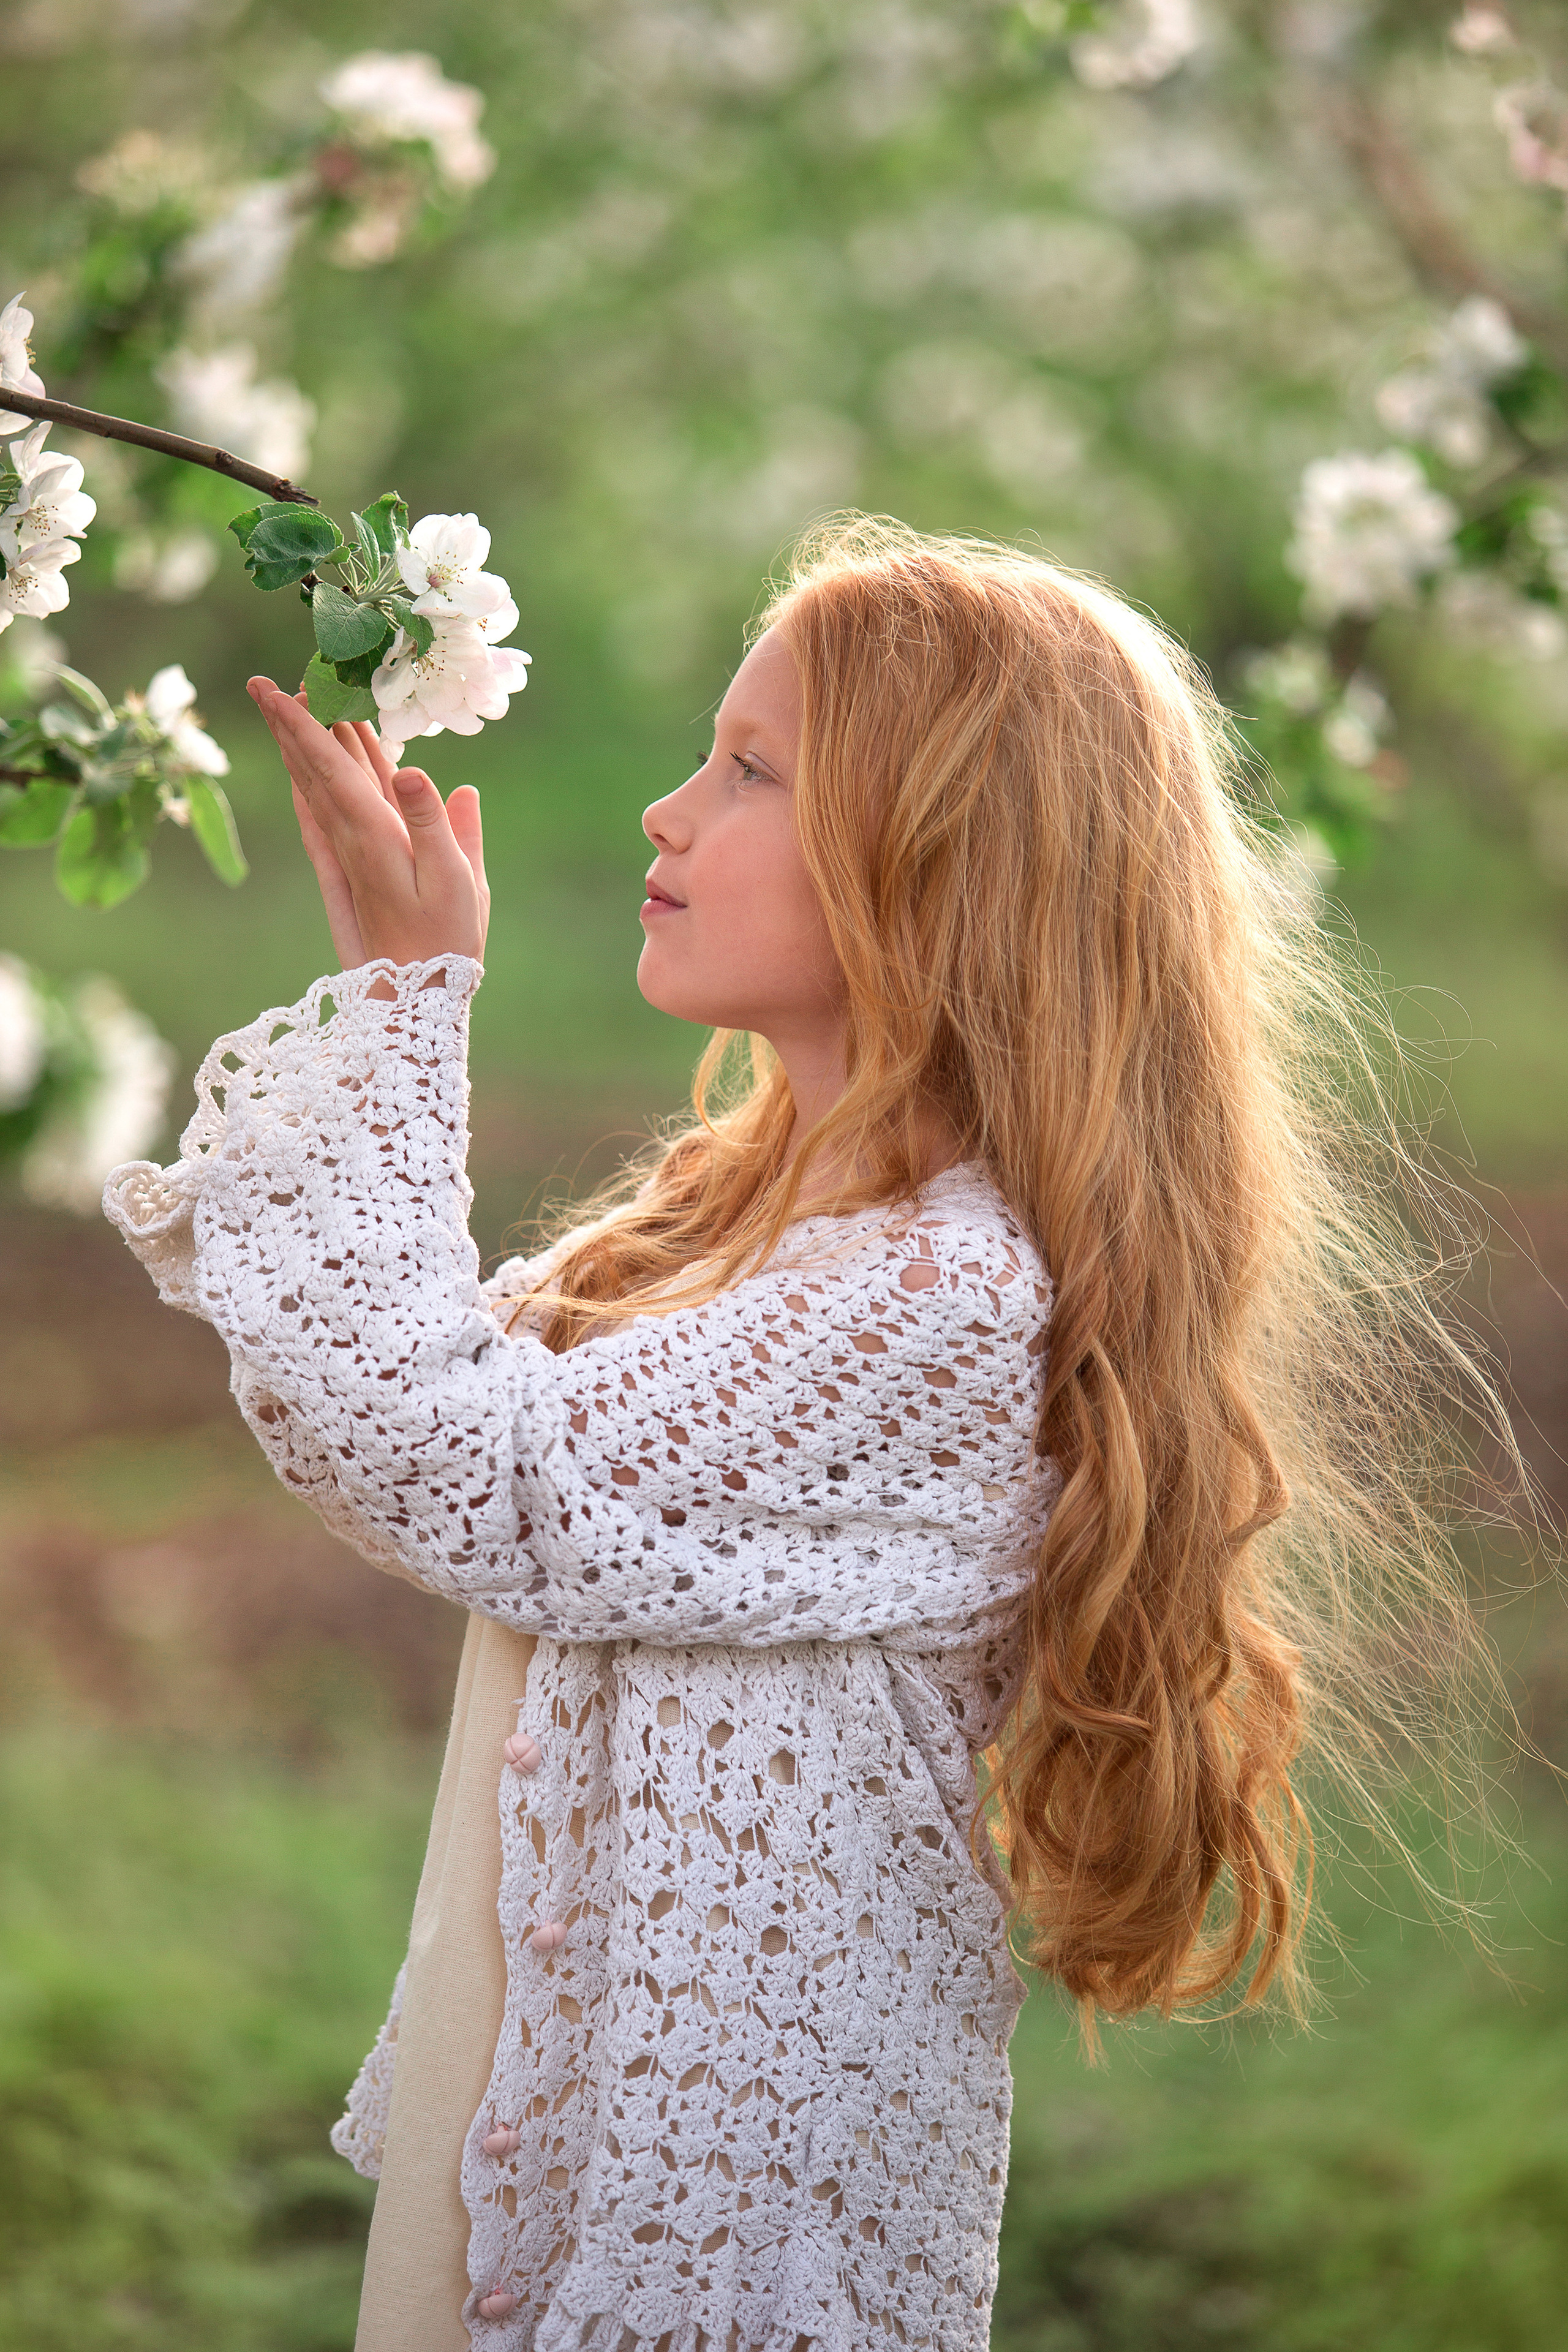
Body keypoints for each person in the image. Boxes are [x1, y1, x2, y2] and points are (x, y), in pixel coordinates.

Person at [104, 518, 1512, 2351]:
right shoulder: (744, 1232)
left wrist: (401, 999)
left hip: (722, 2235)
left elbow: (444, 1451)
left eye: (751, 772)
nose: (667, 815)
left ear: (946, 865)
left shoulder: (940, 1307)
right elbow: (434, 1369)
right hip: (596, 2160)